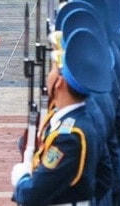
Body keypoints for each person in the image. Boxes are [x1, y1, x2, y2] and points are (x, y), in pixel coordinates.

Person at [10, 28, 109, 205]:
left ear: (60, 82)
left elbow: (33, 195)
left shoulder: (70, 136)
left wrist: (22, 179)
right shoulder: (81, 119)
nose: (49, 74)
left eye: (53, 69)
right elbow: (104, 178)